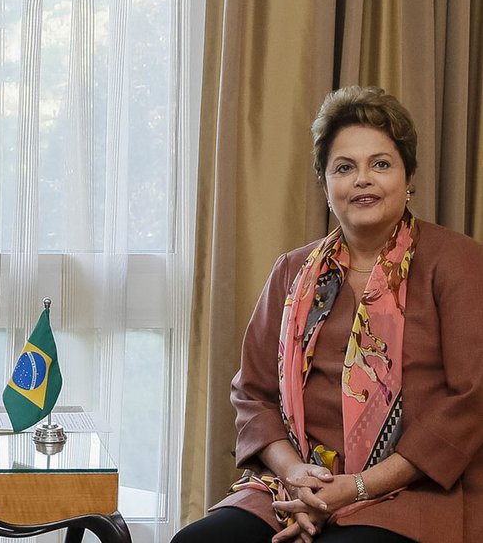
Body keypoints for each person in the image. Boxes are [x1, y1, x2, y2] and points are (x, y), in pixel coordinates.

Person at [172, 85, 483, 543]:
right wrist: (297, 475)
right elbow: (252, 394)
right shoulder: (292, 271)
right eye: (344, 167)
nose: (363, 179)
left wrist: (355, 488)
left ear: (408, 175)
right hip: (292, 488)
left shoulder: (457, 262)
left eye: (380, 164)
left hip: (407, 492)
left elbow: (470, 401)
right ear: (324, 185)